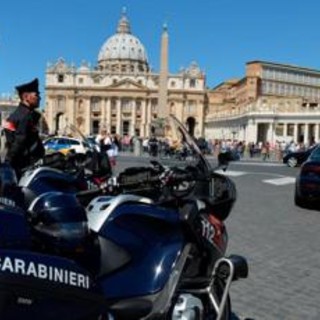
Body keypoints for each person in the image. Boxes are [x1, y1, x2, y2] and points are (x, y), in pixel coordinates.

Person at [3, 78, 44, 178]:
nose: (39, 98)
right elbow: (18, 142)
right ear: (26, 97)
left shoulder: (20, 114)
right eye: (36, 95)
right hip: (23, 168)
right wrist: (8, 163)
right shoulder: (25, 116)